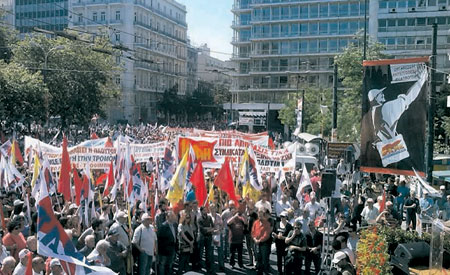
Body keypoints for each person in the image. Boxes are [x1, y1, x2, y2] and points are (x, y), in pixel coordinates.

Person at [368, 64, 427, 145]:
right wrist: (421, 80)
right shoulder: (387, 107)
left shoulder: (373, 111)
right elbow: (409, 97)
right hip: (393, 148)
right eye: (380, 94)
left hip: (383, 149)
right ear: (376, 99)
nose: (383, 94)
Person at [252, 207, 272, 275]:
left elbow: (267, 234)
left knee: (264, 260)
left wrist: (260, 240)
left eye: (261, 215)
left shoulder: (267, 223)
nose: (260, 216)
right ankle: (259, 272)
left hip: (264, 244)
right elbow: (253, 232)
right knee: (258, 259)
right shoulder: (256, 222)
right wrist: (255, 239)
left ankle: (265, 272)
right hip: (256, 243)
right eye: (259, 215)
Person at [157, 210, 177, 275]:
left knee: (169, 265)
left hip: (171, 249)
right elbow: (159, 239)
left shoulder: (174, 225)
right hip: (164, 251)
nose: (174, 217)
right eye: (172, 216)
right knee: (162, 265)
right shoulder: (163, 226)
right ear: (168, 217)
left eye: (174, 216)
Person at [227, 204, 247, 269]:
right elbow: (228, 223)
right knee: (232, 254)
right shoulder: (231, 219)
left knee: (240, 254)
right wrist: (235, 216)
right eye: (232, 211)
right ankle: (232, 264)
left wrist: (244, 217)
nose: (234, 212)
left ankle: (240, 264)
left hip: (239, 240)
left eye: (235, 211)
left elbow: (246, 223)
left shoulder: (241, 218)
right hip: (232, 239)